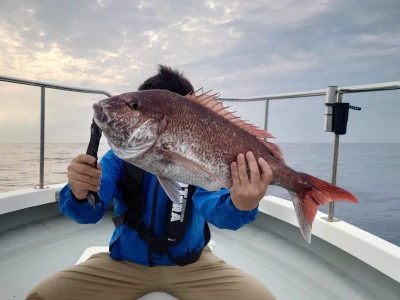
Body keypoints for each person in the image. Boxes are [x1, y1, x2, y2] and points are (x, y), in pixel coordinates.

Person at [27, 65, 276, 300]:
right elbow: (88, 213)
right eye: (136, 105)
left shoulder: (199, 161)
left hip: (193, 265)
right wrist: (79, 192)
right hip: (124, 264)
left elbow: (218, 211)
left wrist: (241, 203)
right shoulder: (117, 159)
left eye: (134, 106)